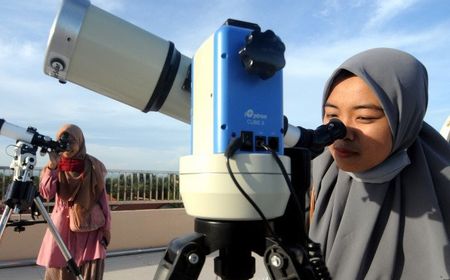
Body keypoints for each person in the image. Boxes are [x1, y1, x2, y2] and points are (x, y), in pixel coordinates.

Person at [308, 48, 450, 279]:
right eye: (332, 116)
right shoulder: (314, 178)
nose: (342, 132)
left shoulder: (442, 187)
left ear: (405, 118)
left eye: (364, 117)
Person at [36, 124, 111, 280]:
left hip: (90, 227)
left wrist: (106, 228)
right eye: (63, 140)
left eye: (72, 140)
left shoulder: (93, 165)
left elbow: (102, 199)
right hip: (62, 227)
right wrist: (53, 166)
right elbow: (46, 194)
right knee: (59, 270)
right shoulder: (53, 167)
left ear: (80, 141)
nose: (68, 145)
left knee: (89, 272)